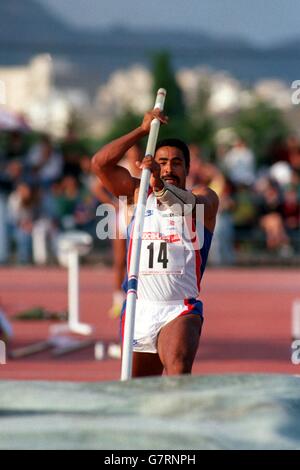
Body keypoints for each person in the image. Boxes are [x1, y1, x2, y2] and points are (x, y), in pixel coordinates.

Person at [92, 109, 219, 377]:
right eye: (162, 162)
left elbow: (187, 206)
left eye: (176, 163)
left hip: (179, 308)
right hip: (139, 307)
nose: (168, 168)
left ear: (187, 168)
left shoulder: (203, 197)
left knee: (177, 370)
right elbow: (100, 164)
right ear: (152, 164)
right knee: (137, 393)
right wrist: (141, 130)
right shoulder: (137, 194)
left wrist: (160, 186)